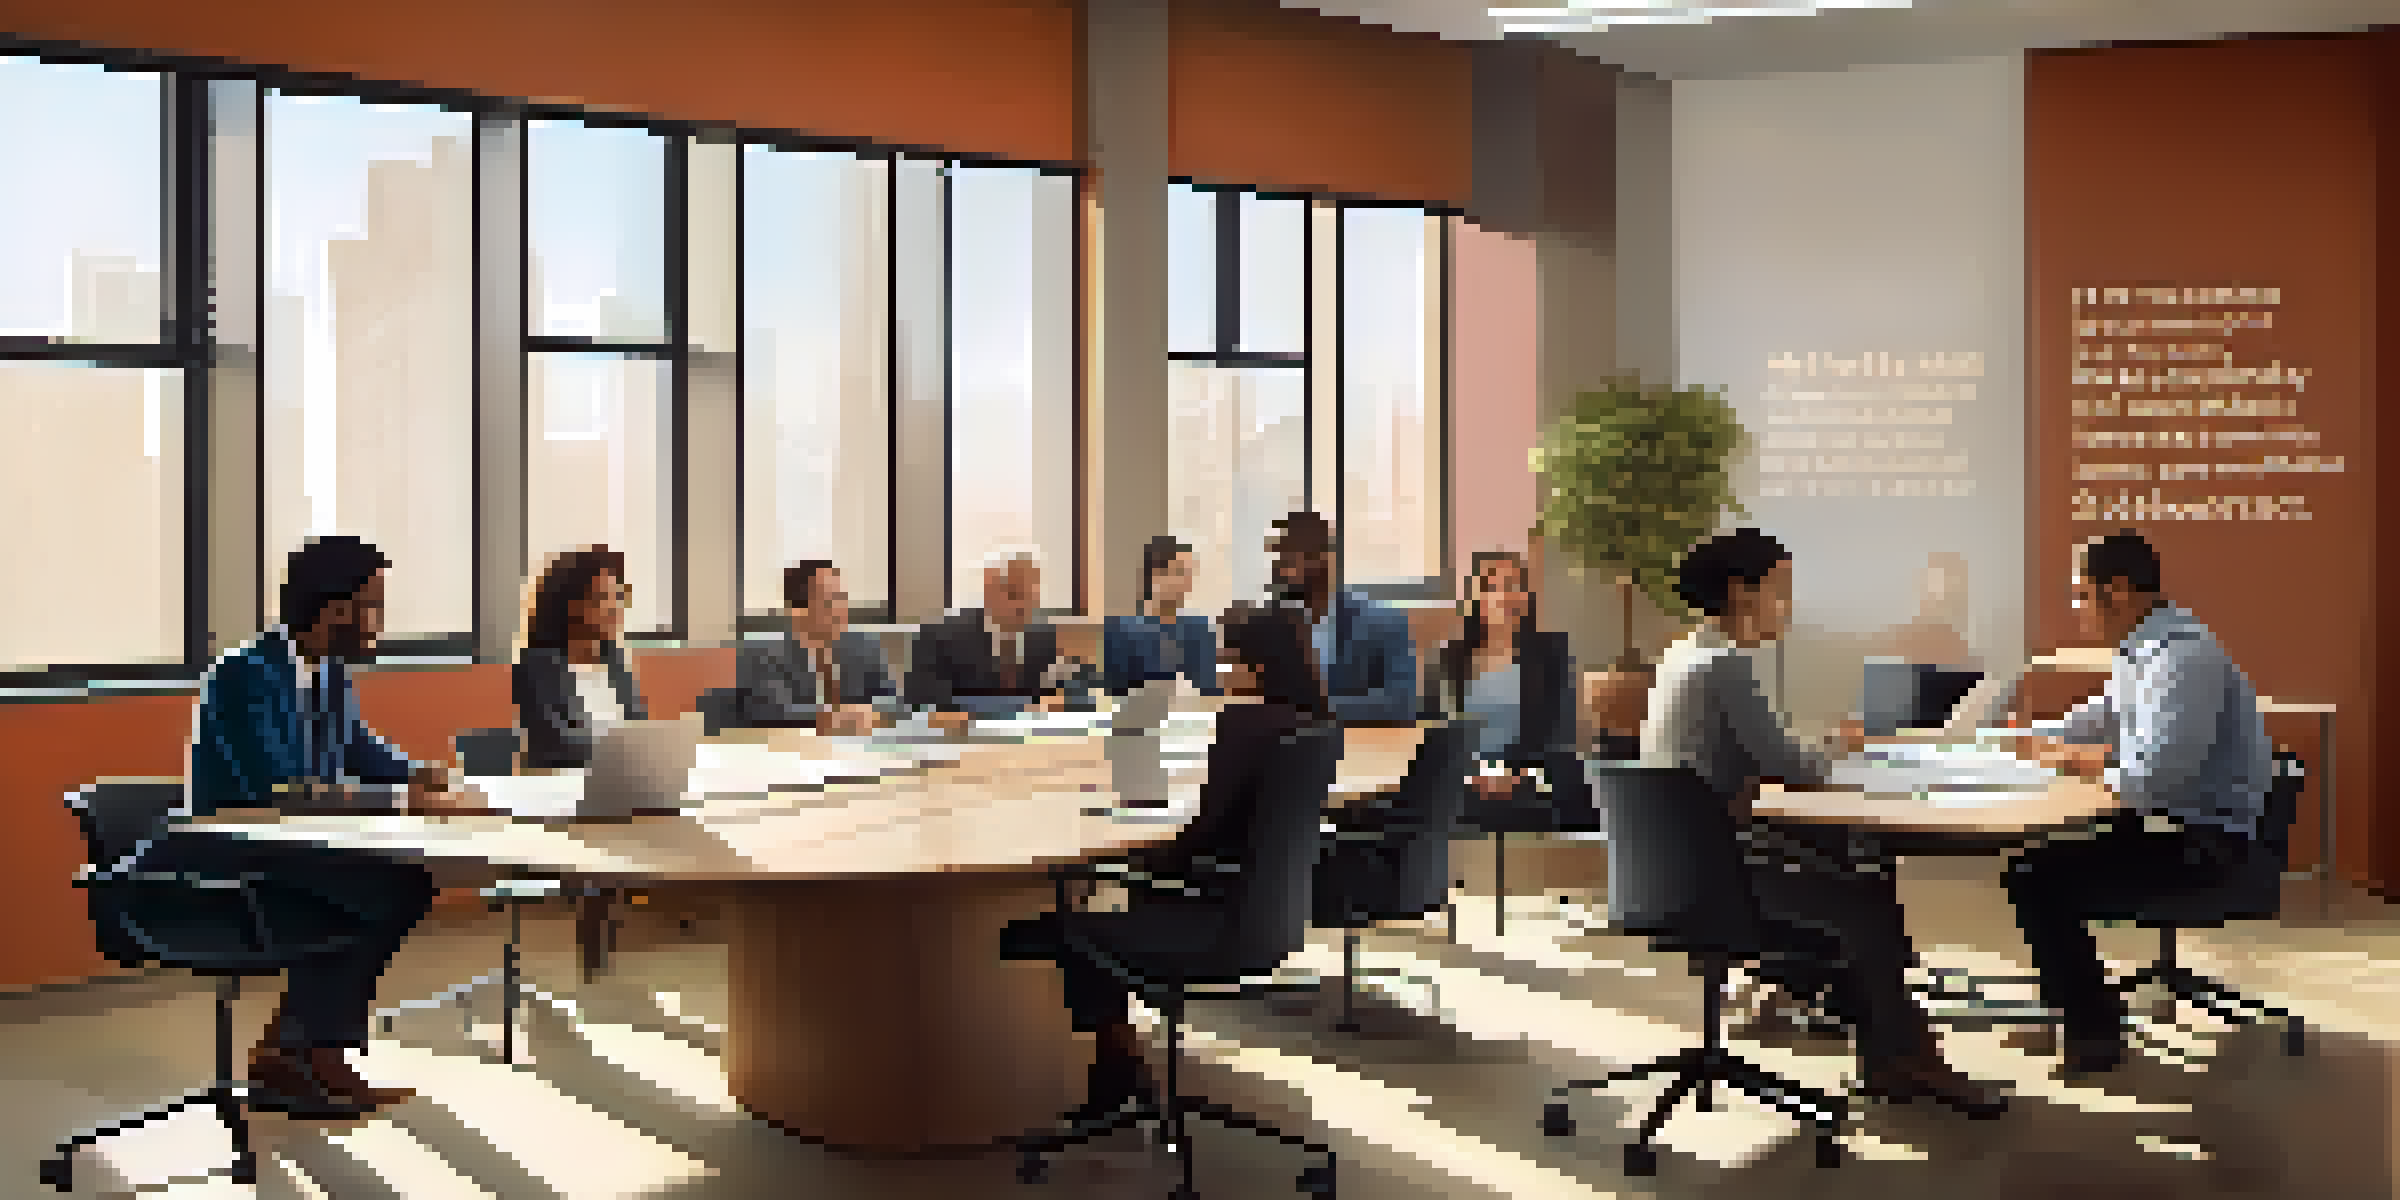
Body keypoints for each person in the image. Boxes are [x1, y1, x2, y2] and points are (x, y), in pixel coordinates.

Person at [1644, 528, 2006, 1117]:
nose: (1787, 607)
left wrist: (1807, 755)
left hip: (1675, 868)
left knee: (1850, 865)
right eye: (1779, 591)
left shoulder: (1681, 657)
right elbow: (1790, 765)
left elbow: (1753, 762)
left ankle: (1893, 1049)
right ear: (1741, 592)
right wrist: (1841, 746)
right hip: (1714, 876)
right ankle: (1902, 1060)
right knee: (1865, 903)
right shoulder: (1725, 666)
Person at [175, 535, 476, 1118]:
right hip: (230, 858)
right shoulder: (245, 675)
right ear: (334, 610)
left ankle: (302, 1052)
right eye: (372, 608)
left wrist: (426, 776)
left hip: (294, 850)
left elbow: (360, 749)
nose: (379, 625)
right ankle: (305, 1052)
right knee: (384, 887)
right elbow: (279, 789)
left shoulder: (329, 673)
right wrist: (398, 799)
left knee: (402, 881)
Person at [1001, 599, 1333, 1124]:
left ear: (1258, 666)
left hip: (1215, 919)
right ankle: (1121, 1059)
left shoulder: (1244, 725)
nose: (1222, 670)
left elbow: (1198, 842)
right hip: (1268, 918)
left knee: (1071, 922)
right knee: (1108, 898)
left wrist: (1127, 847)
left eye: (1231, 660)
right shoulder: (1315, 726)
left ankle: (1114, 1067)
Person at [2001, 530, 2272, 1076]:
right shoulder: (2145, 648)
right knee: (2042, 858)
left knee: (2036, 878)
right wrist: (2027, 738)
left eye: (2080, 594)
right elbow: (2100, 715)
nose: (2075, 609)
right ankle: (2075, 1007)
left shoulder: (2182, 658)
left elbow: (2148, 781)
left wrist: (2070, 760)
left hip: (2206, 846)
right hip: (2172, 825)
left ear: (2117, 591)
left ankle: (2093, 1032)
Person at [1432, 550, 1595, 830]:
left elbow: (1559, 730)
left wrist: (1515, 773)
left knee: (1572, 772)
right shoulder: (1450, 657)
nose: (1510, 596)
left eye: (1517, 586)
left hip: (1533, 770)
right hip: (1466, 774)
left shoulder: (1550, 652)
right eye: (1499, 587)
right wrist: (1476, 772)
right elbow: (1436, 731)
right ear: (1479, 599)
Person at [1267, 511, 1417, 723]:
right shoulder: (1275, 625)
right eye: (1276, 558)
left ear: (1321, 560)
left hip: (1357, 747)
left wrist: (1316, 710)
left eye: (1287, 558)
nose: (1278, 569)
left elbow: (1401, 703)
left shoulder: (1382, 623)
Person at [907, 547, 1074, 733]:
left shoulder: (1044, 639)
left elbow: (1060, 696)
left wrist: (1060, 702)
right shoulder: (939, 637)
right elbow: (922, 707)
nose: (1023, 607)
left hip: (1030, 747)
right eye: (1014, 595)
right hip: (962, 746)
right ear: (990, 590)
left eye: (1031, 597)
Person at [514, 546, 648, 770]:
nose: (616, 608)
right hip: (563, 787)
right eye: (605, 598)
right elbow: (558, 748)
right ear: (573, 605)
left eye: (619, 597)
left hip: (620, 784)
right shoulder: (537, 670)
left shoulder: (615, 663)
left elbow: (640, 731)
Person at [732, 560, 898, 734]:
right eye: (829, 601)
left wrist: (874, 713)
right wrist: (836, 717)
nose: (841, 610)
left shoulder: (864, 647)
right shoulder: (763, 653)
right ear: (797, 610)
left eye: (842, 599)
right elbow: (770, 710)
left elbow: (894, 702)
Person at [1101, 535, 1220, 697]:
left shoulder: (1198, 629)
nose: (1187, 582)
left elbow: (1209, 691)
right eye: (1179, 572)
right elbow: (1115, 694)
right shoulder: (1120, 631)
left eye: (1188, 574)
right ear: (1155, 575)